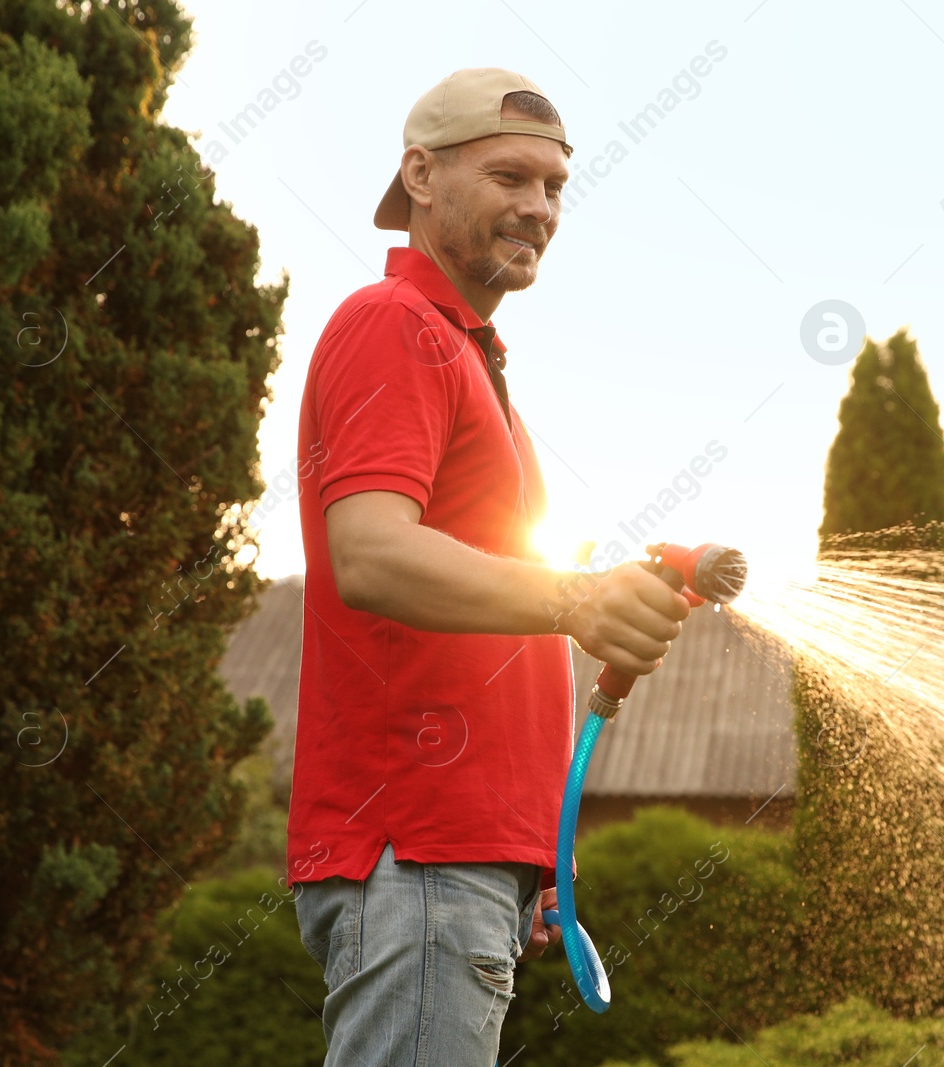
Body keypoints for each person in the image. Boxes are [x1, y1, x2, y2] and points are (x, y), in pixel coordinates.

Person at [287, 68, 691, 1065]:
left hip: (466, 860)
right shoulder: (396, 326)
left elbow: (485, 613)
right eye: (509, 175)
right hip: (417, 852)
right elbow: (371, 554)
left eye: (555, 185)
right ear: (419, 175)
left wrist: (535, 852)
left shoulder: (471, 357)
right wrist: (575, 596)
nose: (539, 207)